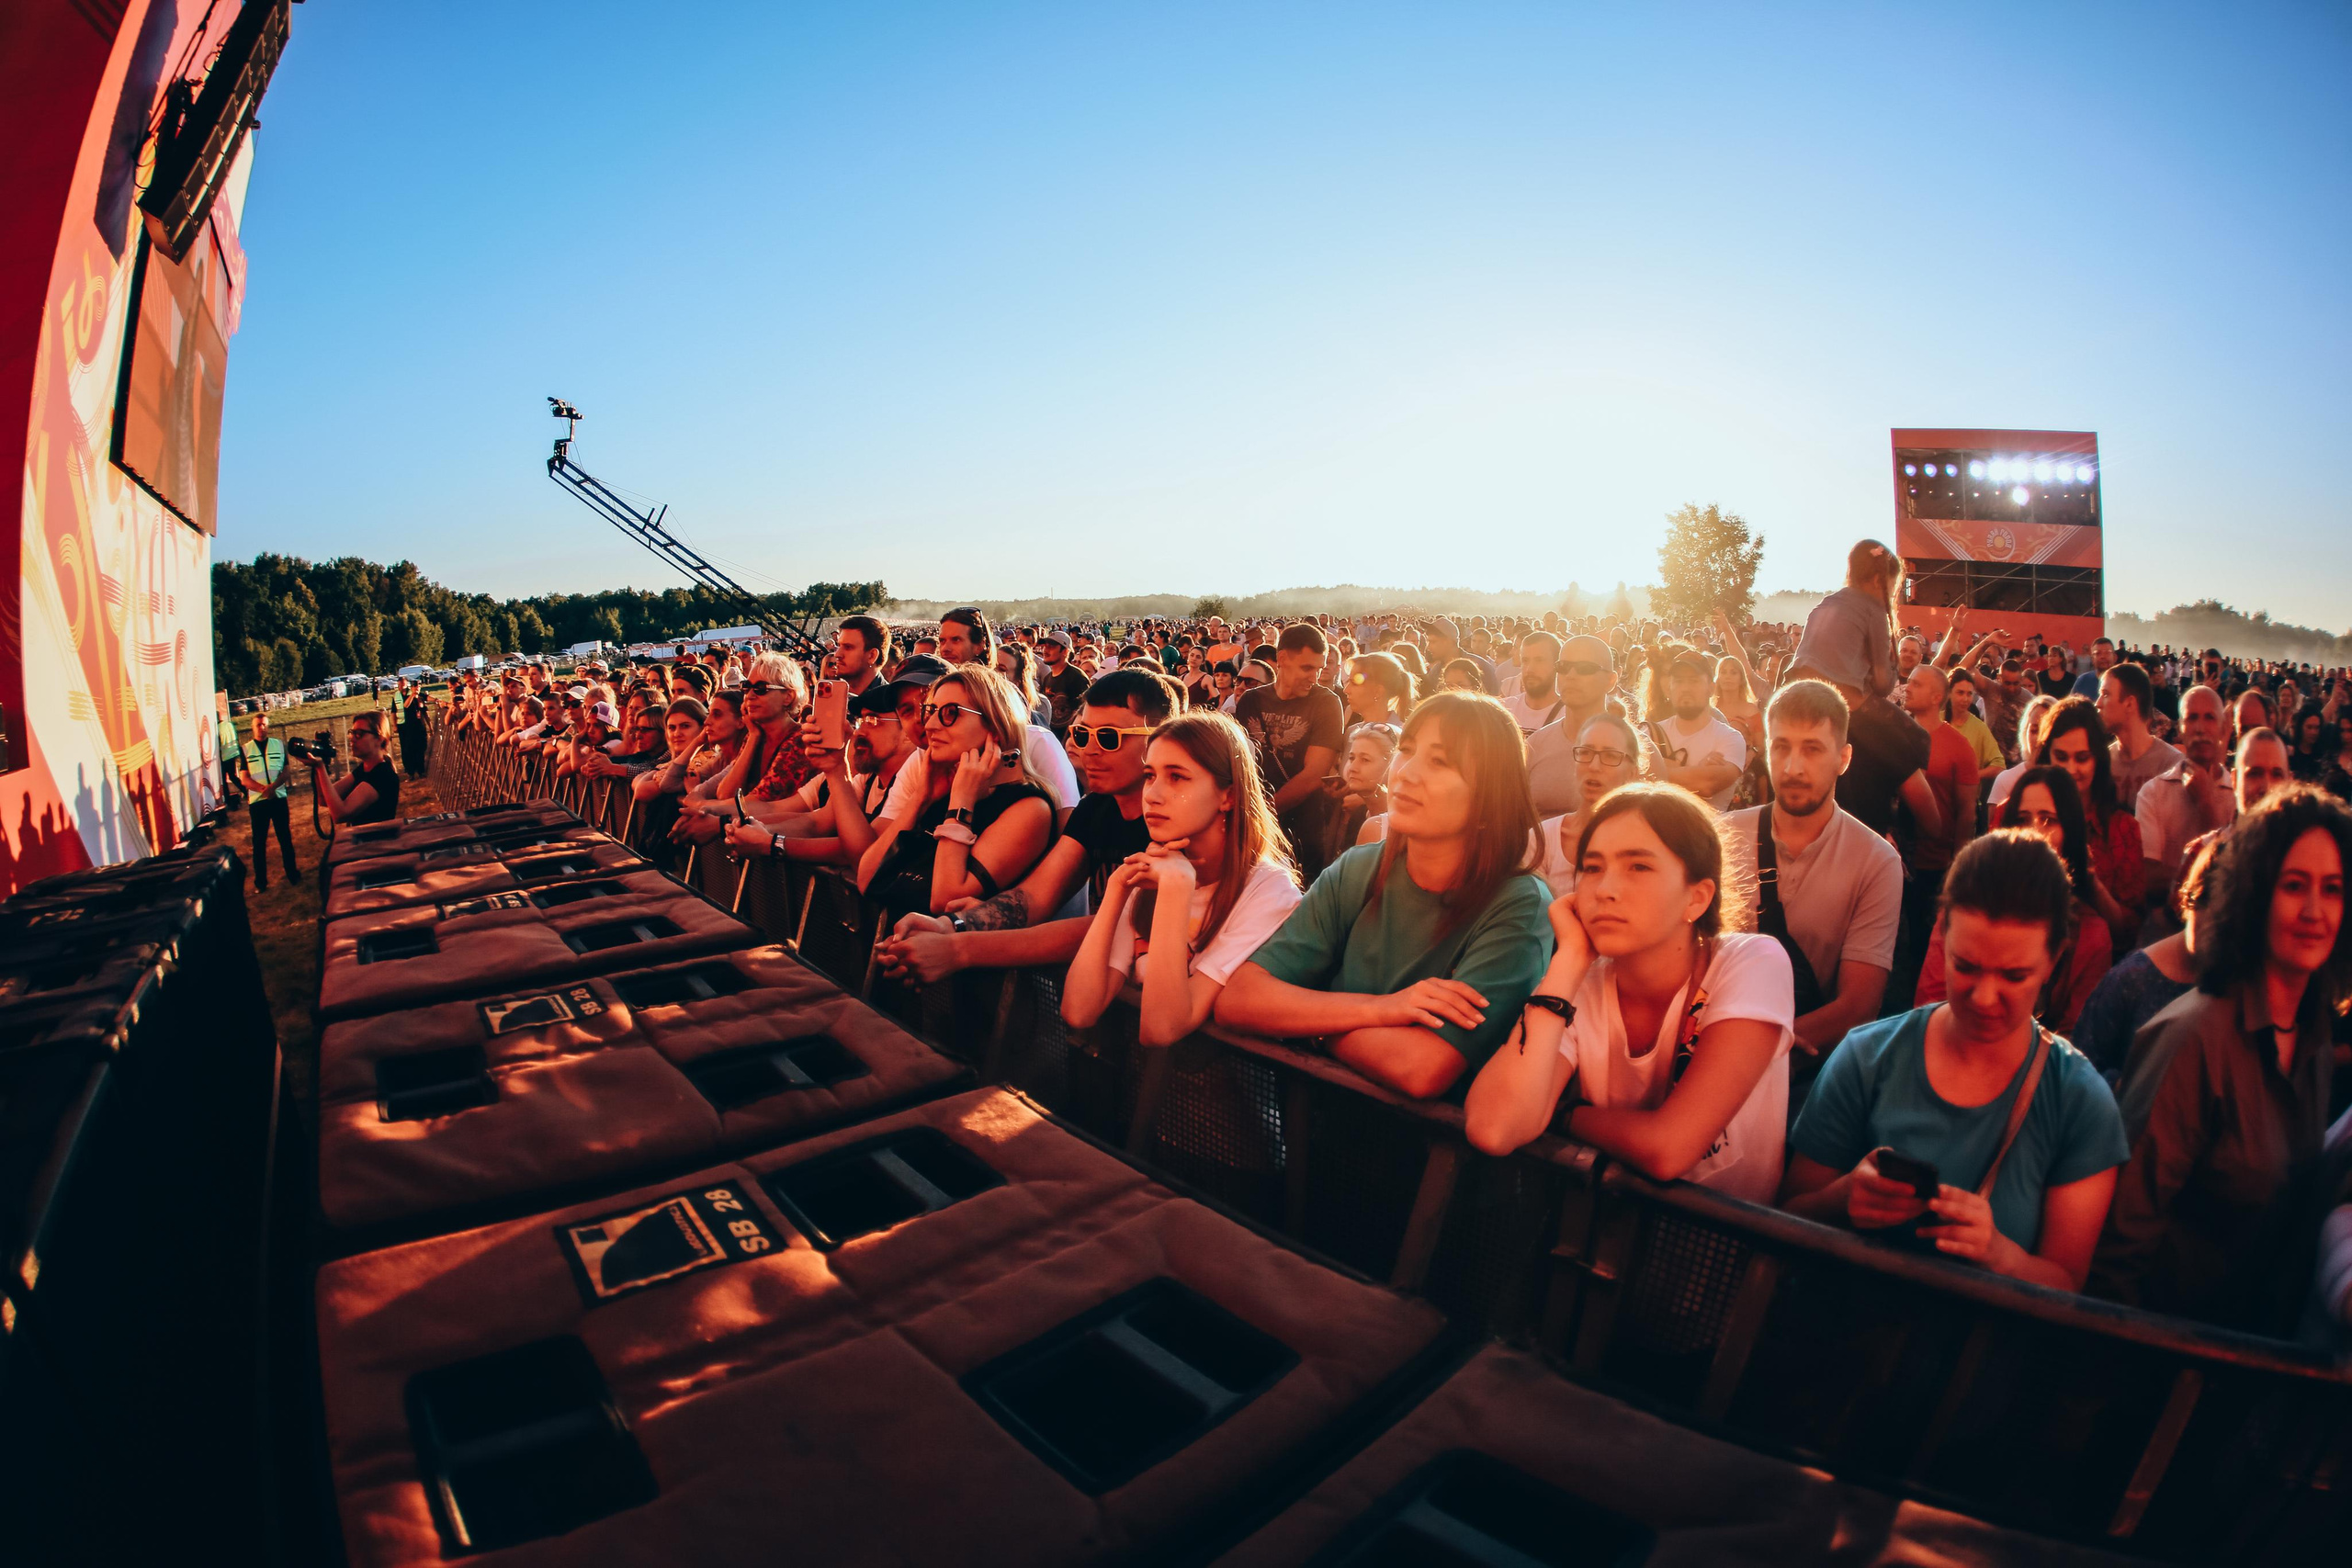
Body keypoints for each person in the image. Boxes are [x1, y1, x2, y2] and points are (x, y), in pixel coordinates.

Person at [1781, 831, 2129, 1292]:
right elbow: (1784, 1216)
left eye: (2014, 976)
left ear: (2054, 959)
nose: (1985, 998)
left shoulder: (2080, 1101)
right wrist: (1841, 1200)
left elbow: (2067, 1283)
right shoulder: (1868, 1057)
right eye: (1965, 967)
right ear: (1941, 933)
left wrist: (2000, 1255)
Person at [2093, 784, 2351, 1335]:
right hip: (2158, 1366)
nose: (2314, 910)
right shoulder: (2193, 1039)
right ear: (2256, 894)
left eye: (2332, 889)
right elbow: (2118, 1256)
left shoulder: (2314, 1037)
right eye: (2294, 886)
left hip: (2247, 1366)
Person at [1464, 784, 1797, 1201]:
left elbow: (1668, 1149)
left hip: (1726, 1248)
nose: (1605, 889)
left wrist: (1564, 1114)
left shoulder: (1753, 962)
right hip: (1598, 1242)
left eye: (1638, 867)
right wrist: (1567, 963)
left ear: (1697, 899)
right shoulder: (1580, 987)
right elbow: (1493, 1129)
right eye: (1592, 867)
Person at [1217, 692, 1554, 1100]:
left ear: (1491, 799)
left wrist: (1311, 1026)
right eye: (1406, 750)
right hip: (1312, 1135)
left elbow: (1422, 1067)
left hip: (1431, 1155)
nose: (1407, 773)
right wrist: (1383, 1009)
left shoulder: (1519, 905)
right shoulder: (1359, 868)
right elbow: (1240, 1000)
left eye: (1440, 762)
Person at [873, 668, 1178, 985]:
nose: (1089, 751)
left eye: (1109, 738)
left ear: (1161, 740)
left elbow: (1122, 925)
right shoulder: (1095, 807)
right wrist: (953, 925)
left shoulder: (1178, 818)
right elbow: (1033, 898)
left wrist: (959, 947)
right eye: (1083, 735)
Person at [1062, 714, 1305, 1046]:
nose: (1153, 794)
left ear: (1228, 796)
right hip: (1136, 1087)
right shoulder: (1158, 870)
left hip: (1224, 1088)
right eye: (1150, 776)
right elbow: (1078, 1010)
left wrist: (1176, 890)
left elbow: (1161, 1029)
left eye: (1177, 777)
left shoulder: (1269, 892)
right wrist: (1118, 888)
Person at [1724, 680, 1904, 1080]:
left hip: (1803, 1075)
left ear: (1844, 758)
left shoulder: (1875, 862)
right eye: (1781, 747)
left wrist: (1749, 1056)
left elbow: (1859, 1006)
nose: (1793, 768)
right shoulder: (1720, 837)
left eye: (1812, 749)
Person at [1917, 769, 2113, 1035]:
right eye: (2023, 820)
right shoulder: (1966, 909)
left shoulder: (2092, 935)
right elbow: (1930, 1006)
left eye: (2048, 820)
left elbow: (2074, 1039)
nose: (2034, 832)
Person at [856, 664, 1057, 921]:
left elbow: (945, 900)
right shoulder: (941, 794)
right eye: (930, 711)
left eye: (950, 713)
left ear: (995, 726)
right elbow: (866, 878)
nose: (929, 725)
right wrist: (921, 798)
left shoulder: (1029, 809)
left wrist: (961, 803)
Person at [2071, 838, 2218, 1080]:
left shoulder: (2248, 983)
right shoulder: (2133, 979)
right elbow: (2081, 1069)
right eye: (2203, 904)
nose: (2215, 929)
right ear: (2187, 903)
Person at [2032, 698, 2147, 953]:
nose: (2071, 769)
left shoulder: (2122, 828)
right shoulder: (2019, 812)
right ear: (2045, 754)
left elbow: (2130, 931)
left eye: (2082, 758)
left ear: (2098, 760)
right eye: (2061, 757)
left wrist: (2093, 884)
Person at [1235, 623, 1346, 882]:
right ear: (1282, 659)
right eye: (1307, 668)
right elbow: (1240, 763)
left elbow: (1314, 774)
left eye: (1318, 669)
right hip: (1254, 829)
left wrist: (1261, 816)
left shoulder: (1326, 703)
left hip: (1302, 830)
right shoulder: (1251, 700)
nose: (1314, 677)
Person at [2135, 682, 2235, 897]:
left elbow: (2234, 880)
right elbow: (2149, 878)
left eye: (2209, 717)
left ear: (2222, 726)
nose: (2200, 728)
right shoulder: (2153, 793)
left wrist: (2206, 804)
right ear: (2180, 728)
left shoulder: (2237, 795)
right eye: (2192, 718)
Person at [1534, 712, 1647, 897]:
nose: (1594, 766)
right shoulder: (1541, 839)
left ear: (1632, 773)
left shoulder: (1649, 843)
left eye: (1610, 756)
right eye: (1585, 753)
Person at [1524, 635, 1629, 817]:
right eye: (1563, 667)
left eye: (1585, 669)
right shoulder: (1534, 746)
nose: (1571, 676)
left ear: (1611, 680)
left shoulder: (1639, 751)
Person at [1789, 539, 1903, 702]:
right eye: (1893, 587)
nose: (1892, 594)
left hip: (1796, 686)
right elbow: (1882, 685)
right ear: (1878, 581)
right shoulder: (1874, 611)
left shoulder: (1829, 601)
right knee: (1908, 728)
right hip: (1837, 696)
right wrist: (1895, 664)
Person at [1644, 649, 1746, 811]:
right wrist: (1696, 769)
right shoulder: (1648, 734)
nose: (1685, 688)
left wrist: (1656, 769)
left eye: (1694, 681)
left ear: (1711, 688)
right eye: (1679, 681)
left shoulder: (1729, 737)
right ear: (1669, 688)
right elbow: (1632, 779)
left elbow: (1706, 784)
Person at [2098, 661, 2184, 812]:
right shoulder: (2102, 763)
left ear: (2130, 704)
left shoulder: (2172, 765)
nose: (2098, 703)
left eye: (2105, 694)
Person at [236, 710, 299, 889]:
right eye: (258, 725)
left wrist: (274, 787)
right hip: (258, 802)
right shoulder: (246, 749)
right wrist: (263, 790)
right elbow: (244, 778)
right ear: (252, 728)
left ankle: (292, 874)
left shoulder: (279, 745)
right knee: (259, 842)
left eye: (264, 724)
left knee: (285, 838)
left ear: (268, 726)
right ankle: (261, 882)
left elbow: (286, 772)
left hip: (278, 798)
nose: (262, 728)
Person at [307, 712, 401, 828]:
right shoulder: (364, 769)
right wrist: (318, 764)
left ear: (379, 739)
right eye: (352, 733)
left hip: (375, 843)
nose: (352, 739)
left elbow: (340, 814)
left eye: (359, 734)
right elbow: (323, 799)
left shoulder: (383, 775)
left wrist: (320, 768)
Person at [1944, 670, 2007, 785]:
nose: (1965, 699)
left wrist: (1973, 775)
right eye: (1960, 693)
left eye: (1969, 694)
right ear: (1949, 693)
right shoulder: (1936, 719)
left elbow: (1999, 765)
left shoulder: (1979, 728)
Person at [1500, 633, 1566, 733]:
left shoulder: (1568, 716)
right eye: (1525, 661)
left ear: (1556, 664)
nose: (1529, 669)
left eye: (1539, 660)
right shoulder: (1503, 710)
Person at [1035, 631, 1089, 734]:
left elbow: (1083, 713)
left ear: (1065, 651)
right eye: (1045, 646)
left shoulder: (1077, 677)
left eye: (1051, 647)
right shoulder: (1047, 678)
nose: (1045, 650)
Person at [1342, 653, 1416, 727]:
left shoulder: (1401, 734)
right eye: (1348, 682)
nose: (1346, 690)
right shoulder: (1352, 731)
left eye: (1354, 683)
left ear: (1378, 691)